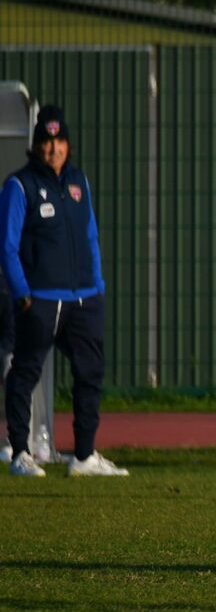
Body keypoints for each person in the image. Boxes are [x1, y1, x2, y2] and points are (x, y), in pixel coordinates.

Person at [2, 105, 127, 477]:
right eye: (46, 141)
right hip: (40, 299)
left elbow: (90, 235)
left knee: (90, 373)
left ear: (68, 145)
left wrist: (98, 285)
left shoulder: (78, 183)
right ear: (36, 145)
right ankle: (21, 453)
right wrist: (23, 293)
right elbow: (6, 246)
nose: (53, 149)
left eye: (59, 141)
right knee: (25, 372)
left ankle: (84, 456)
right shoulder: (19, 185)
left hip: (84, 298)